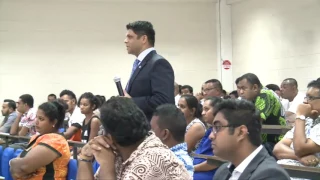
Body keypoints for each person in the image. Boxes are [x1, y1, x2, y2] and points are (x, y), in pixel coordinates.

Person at [77, 97, 191, 179]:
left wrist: (107, 166)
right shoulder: (120, 152)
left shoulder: (150, 161)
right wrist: (85, 157)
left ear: (109, 137)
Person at [211, 99, 290, 180]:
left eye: (217, 127)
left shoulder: (271, 174)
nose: (211, 136)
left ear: (241, 132)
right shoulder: (223, 170)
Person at [123, 20, 175, 120]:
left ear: (143, 39)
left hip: (151, 129)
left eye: (130, 37)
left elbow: (164, 101)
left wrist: (132, 102)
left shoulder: (158, 63)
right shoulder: (140, 63)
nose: (125, 40)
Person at [10, 100, 70, 179]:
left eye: (41, 119)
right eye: (36, 117)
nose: (36, 122)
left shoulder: (56, 141)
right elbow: (16, 168)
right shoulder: (36, 137)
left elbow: (23, 167)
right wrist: (13, 164)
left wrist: (14, 163)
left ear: (54, 122)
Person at [151, 104, 194, 176]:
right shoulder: (163, 155)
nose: (149, 134)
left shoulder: (180, 163)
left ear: (165, 134)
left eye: (152, 130)